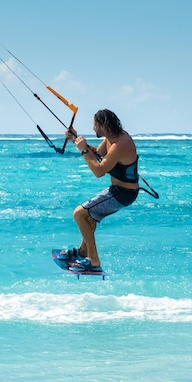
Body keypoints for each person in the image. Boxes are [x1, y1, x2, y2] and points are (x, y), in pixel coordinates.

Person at [62, 109, 140, 272]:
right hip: (119, 191)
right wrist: (76, 139)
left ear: (103, 125)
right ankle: (84, 251)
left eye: (95, 124)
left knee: (79, 213)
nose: (93, 128)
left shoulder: (120, 143)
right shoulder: (112, 138)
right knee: (89, 217)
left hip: (122, 193)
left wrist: (83, 150)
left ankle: (93, 259)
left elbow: (99, 171)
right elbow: (97, 154)